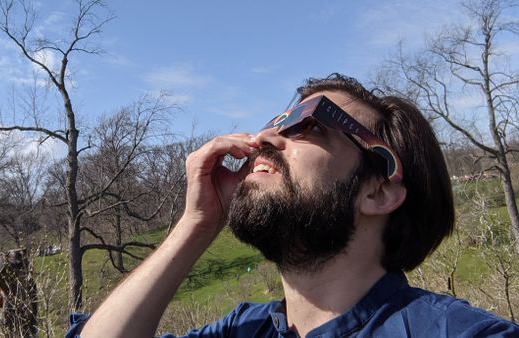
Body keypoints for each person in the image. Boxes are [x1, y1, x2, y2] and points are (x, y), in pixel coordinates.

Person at [69, 74, 519, 337]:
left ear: (378, 191)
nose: (265, 136)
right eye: (278, 121)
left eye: (310, 125)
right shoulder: (244, 329)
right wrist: (196, 224)